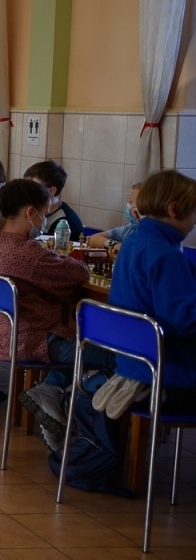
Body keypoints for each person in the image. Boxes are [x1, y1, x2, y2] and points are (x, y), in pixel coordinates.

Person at [0, 179, 90, 418]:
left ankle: (49, 390)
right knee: (116, 356)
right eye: (44, 214)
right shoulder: (28, 253)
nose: (44, 221)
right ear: (30, 213)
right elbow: (79, 274)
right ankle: (71, 410)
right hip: (33, 341)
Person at [105, 170, 196, 408]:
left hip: (133, 364)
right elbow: (185, 319)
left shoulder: (132, 244)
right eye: (194, 212)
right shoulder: (166, 255)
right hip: (168, 374)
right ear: (174, 210)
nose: (195, 221)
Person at [24, 160, 84, 237]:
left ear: (52, 191)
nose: (27, 191)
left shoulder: (65, 223)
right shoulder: (30, 210)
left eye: (34, 187)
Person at [87, 183, 142, 249]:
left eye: (131, 202)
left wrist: (124, 249)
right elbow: (92, 239)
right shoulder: (130, 228)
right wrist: (115, 245)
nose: (128, 206)